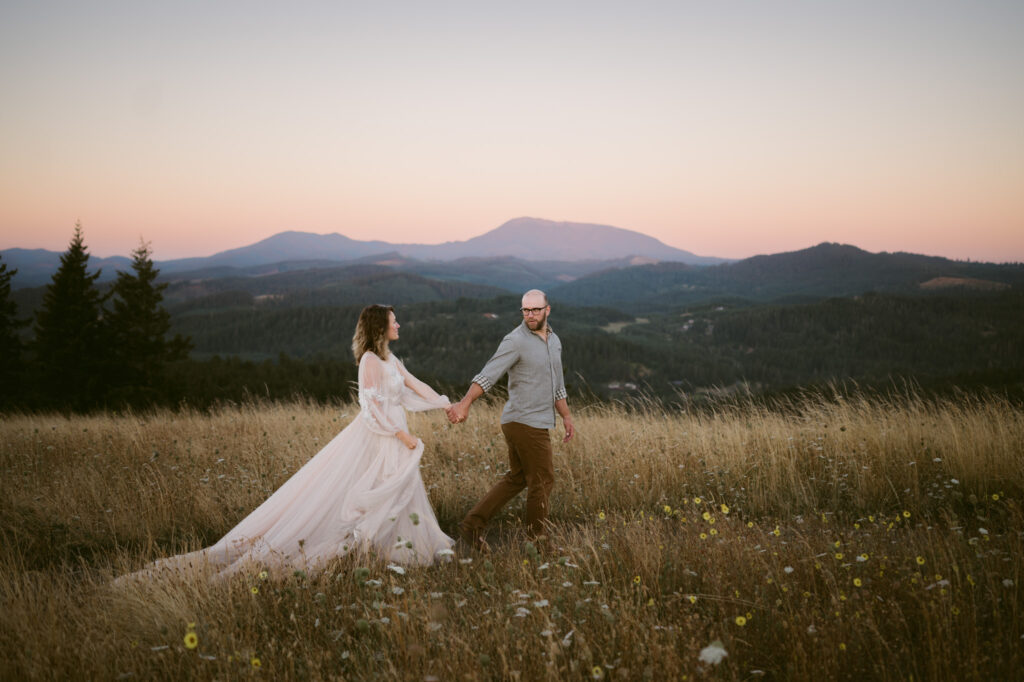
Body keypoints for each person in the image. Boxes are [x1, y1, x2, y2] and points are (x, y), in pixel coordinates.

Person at [122, 304, 453, 580]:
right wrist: (400, 434)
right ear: (380, 326)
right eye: (394, 320)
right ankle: (356, 550)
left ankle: (396, 550)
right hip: (380, 436)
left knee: (398, 490)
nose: (399, 324)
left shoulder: (390, 359)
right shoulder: (368, 360)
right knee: (369, 490)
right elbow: (369, 407)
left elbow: (414, 384)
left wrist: (444, 402)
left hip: (396, 435)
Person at [447, 289, 575, 550]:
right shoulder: (515, 340)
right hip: (523, 421)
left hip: (537, 420)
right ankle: (537, 542)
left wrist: (566, 416)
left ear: (547, 310)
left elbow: (557, 385)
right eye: (525, 310)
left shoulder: (555, 341)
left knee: (518, 478)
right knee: (543, 479)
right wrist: (465, 402)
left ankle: (472, 526)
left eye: (535, 310)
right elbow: (488, 374)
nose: (530, 315)